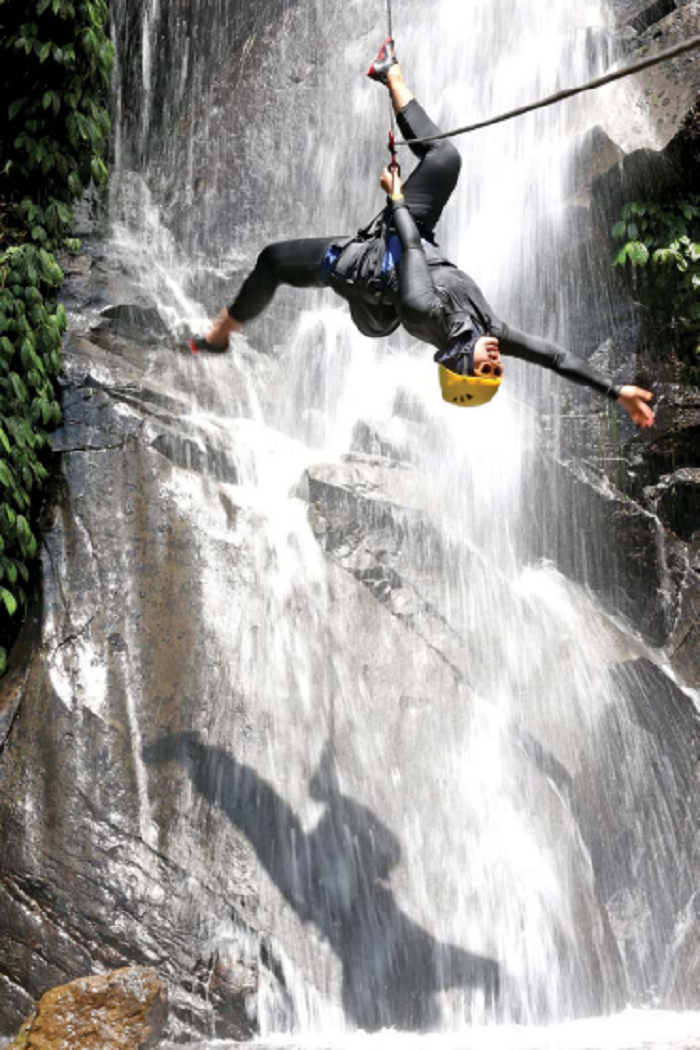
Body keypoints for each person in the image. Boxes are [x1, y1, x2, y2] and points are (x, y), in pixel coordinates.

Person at [194, 40, 655, 427]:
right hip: (415, 245)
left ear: (459, 362)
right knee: (445, 159)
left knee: (274, 260)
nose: (496, 357)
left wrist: (395, 195)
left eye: (485, 366)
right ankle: (388, 72)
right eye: (497, 367)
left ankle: (222, 331)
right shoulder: (489, 331)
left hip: (375, 274)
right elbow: (555, 358)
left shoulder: (424, 311)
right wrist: (616, 391)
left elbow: (408, 243)